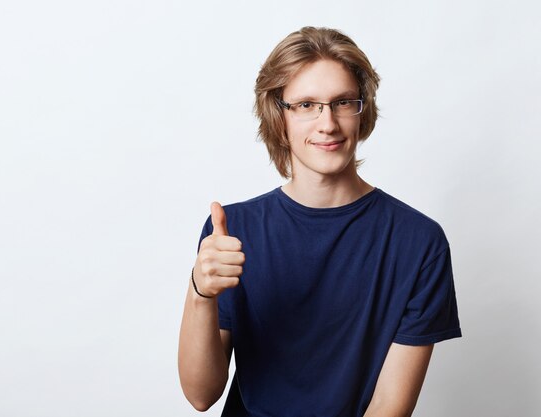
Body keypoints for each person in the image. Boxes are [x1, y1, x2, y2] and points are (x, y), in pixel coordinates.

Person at [178, 26, 461, 416]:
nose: (327, 123)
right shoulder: (233, 231)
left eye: (343, 102)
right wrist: (200, 293)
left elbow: (388, 407)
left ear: (362, 112)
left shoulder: (418, 242)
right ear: (280, 117)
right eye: (307, 105)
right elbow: (201, 394)